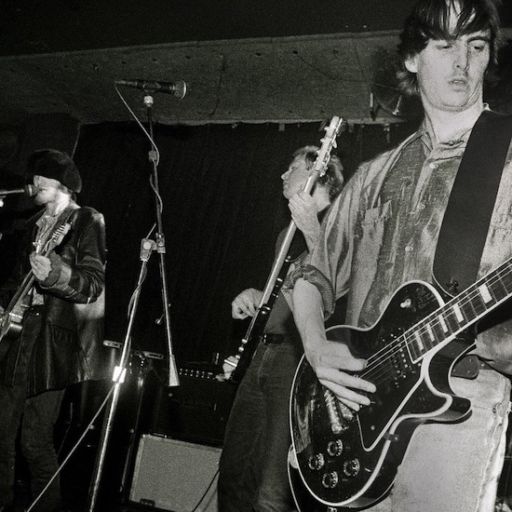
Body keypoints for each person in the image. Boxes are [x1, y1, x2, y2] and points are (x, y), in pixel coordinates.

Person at [288, 1, 512, 511]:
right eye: (444, 45)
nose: (462, 62)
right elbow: (312, 270)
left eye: (476, 47)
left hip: (458, 397)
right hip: (351, 403)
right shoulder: (375, 173)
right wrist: (317, 347)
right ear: (412, 58)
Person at [217, 146, 344, 512]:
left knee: (273, 489)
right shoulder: (284, 236)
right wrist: (258, 296)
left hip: (296, 359)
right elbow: (286, 293)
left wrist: (312, 230)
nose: (282, 175)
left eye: (291, 168)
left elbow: (339, 285)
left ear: (317, 175)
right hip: (263, 353)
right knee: (234, 473)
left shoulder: (337, 227)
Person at [0, 149, 107, 512]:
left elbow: (92, 283)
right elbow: (14, 282)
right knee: (1, 433)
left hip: (52, 342)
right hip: (16, 336)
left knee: (33, 441)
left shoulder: (86, 220)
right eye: (35, 178)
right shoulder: (31, 225)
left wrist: (57, 274)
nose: (34, 184)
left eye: (42, 178)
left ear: (63, 183)